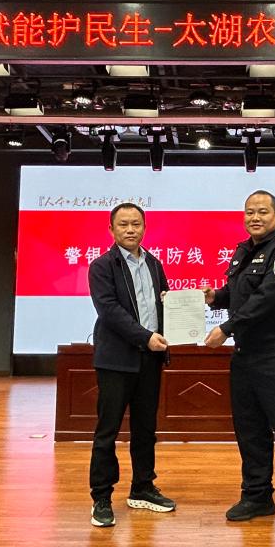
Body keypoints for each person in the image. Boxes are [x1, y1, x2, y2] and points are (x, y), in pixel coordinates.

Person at [203, 190, 275, 536]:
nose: (255, 217)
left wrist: (227, 328)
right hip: (246, 355)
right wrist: (215, 297)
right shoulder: (243, 250)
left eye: (263, 212)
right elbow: (241, 294)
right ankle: (257, 496)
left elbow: (266, 299)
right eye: (250, 212)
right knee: (250, 431)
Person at [87, 202, 176, 528]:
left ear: (144, 228)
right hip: (116, 360)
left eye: (136, 224)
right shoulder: (102, 266)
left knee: (145, 428)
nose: (130, 229)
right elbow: (110, 311)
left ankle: (142, 487)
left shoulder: (154, 263)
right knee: (107, 431)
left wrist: (182, 321)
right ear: (111, 229)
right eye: (123, 224)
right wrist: (145, 337)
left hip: (149, 360)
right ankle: (101, 498)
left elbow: (165, 303)